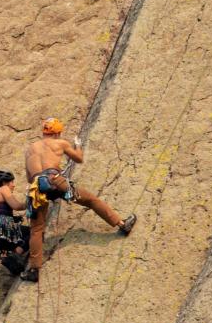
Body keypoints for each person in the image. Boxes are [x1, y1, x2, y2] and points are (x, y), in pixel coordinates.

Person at [22, 117, 135, 281]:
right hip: (55, 180)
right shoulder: (60, 143)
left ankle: (33, 270)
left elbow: (28, 177)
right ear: (58, 132)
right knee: (90, 200)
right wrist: (78, 145)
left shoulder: (30, 150)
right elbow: (79, 159)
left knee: (36, 229)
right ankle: (122, 224)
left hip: (36, 186)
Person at [0, 170, 30, 276]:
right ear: (4, 182)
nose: (13, 185)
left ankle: (13, 259)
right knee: (34, 232)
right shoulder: (3, 189)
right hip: (4, 229)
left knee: (19, 241)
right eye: (12, 182)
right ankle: (17, 253)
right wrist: (29, 203)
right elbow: (16, 206)